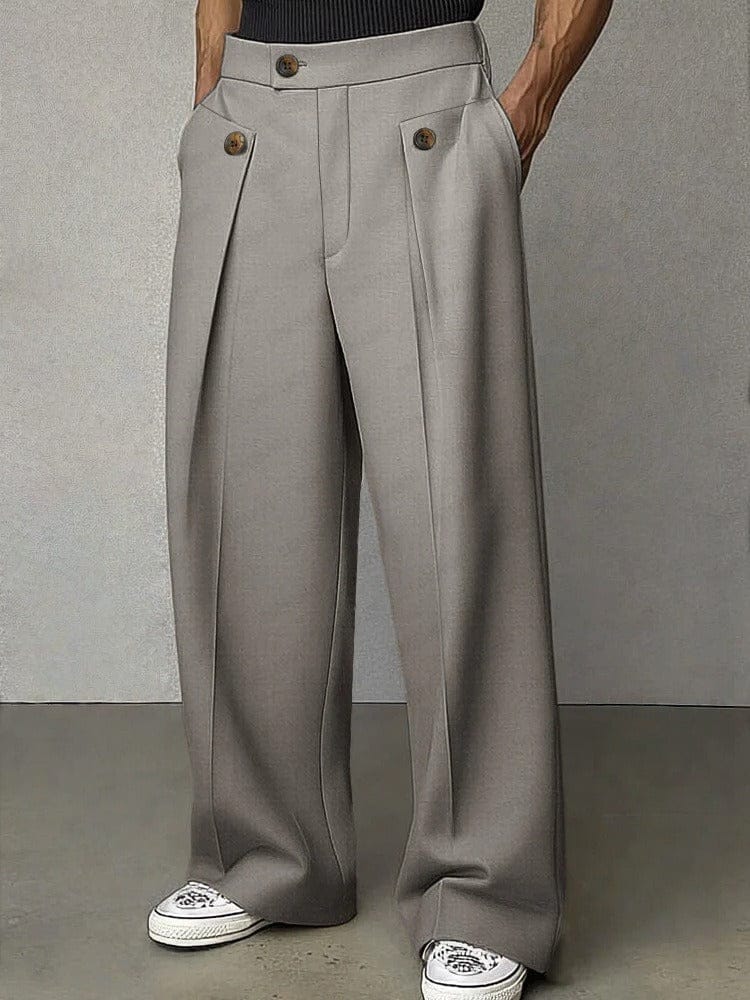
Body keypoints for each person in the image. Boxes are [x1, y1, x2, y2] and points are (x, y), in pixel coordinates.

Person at [147, 1, 613, 997]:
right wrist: (211, 88)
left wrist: (528, 103)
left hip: (426, 116)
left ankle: (486, 893)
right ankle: (267, 854)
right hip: (250, 121)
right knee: (245, 505)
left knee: (461, 514)